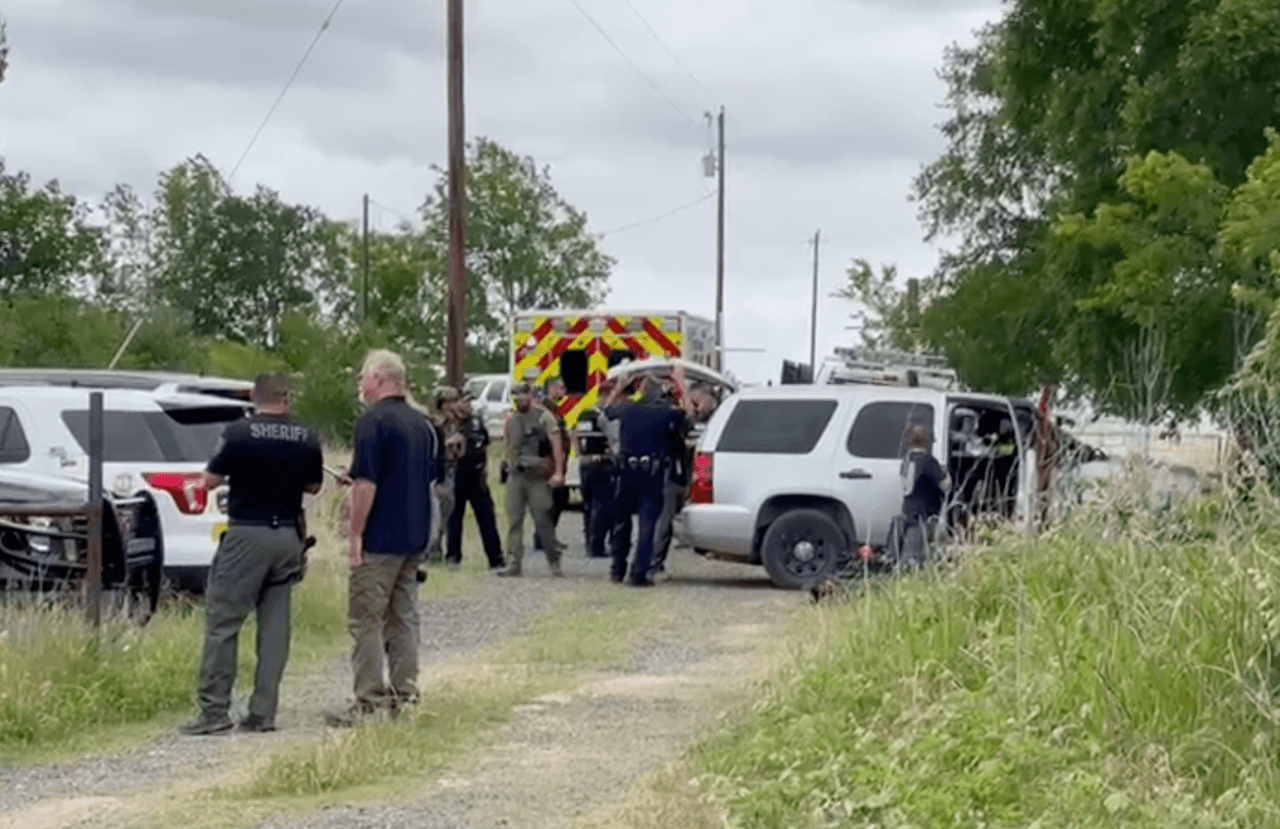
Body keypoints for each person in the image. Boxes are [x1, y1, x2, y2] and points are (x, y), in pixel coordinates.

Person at [181, 373, 323, 735]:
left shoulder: (239, 433)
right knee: (275, 627)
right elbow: (314, 484)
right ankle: (263, 713)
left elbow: (209, 481)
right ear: (286, 397)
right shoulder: (306, 435)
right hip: (288, 535)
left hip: (247, 531)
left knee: (223, 622)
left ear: (254, 397)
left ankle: (214, 710)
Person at [330, 349, 438, 724]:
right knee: (403, 617)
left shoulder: (372, 422)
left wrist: (355, 534)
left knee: (366, 620)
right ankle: (405, 695)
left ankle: (368, 701)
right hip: (414, 536)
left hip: (380, 538)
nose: (360, 384)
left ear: (379, 378)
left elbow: (368, 484)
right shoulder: (423, 425)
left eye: (362, 377)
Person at [602, 367, 694, 586]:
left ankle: (617, 569)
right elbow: (691, 415)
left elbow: (604, 413)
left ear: (642, 389)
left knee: (621, 523)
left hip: (625, 472)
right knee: (647, 524)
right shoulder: (667, 413)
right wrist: (681, 384)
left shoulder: (626, 410)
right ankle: (638, 573)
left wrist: (619, 386)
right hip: (652, 474)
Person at [498, 381, 565, 577]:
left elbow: (556, 443)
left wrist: (558, 472)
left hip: (537, 476)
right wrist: (505, 463)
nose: (520, 400)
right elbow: (509, 445)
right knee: (514, 520)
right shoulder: (512, 420)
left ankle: (553, 558)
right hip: (516, 474)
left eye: (523, 395)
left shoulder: (544, 417)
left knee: (542, 519)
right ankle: (513, 561)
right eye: (516, 397)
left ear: (530, 395)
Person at [442, 386, 506, 571]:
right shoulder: (448, 425)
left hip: (476, 476)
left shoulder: (476, 422)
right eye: (464, 401)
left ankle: (496, 558)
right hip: (456, 475)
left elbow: (485, 444)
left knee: (486, 517)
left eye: (470, 401)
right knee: (455, 519)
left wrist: (485, 470)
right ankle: (453, 557)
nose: (468, 405)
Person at [894, 423, 949, 571]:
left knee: (907, 549)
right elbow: (945, 484)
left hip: (908, 508)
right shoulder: (927, 461)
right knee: (915, 555)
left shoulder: (907, 460)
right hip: (924, 512)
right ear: (925, 439)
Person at [574, 378, 616, 558]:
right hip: (601, 463)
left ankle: (589, 542)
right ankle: (596, 546)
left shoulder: (586, 414)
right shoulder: (606, 415)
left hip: (586, 464)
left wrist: (581, 454)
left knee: (588, 505)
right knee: (601, 505)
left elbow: (574, 434)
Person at [533, 377, 570, 552]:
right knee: (551, 501)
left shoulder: (554, 408)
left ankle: (548, 537)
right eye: (561, 386)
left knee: (559, 499)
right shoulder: (544, 408)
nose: (564, 390)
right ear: (552, 387)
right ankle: (542, 539)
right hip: (548, 462)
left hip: (556, 461)